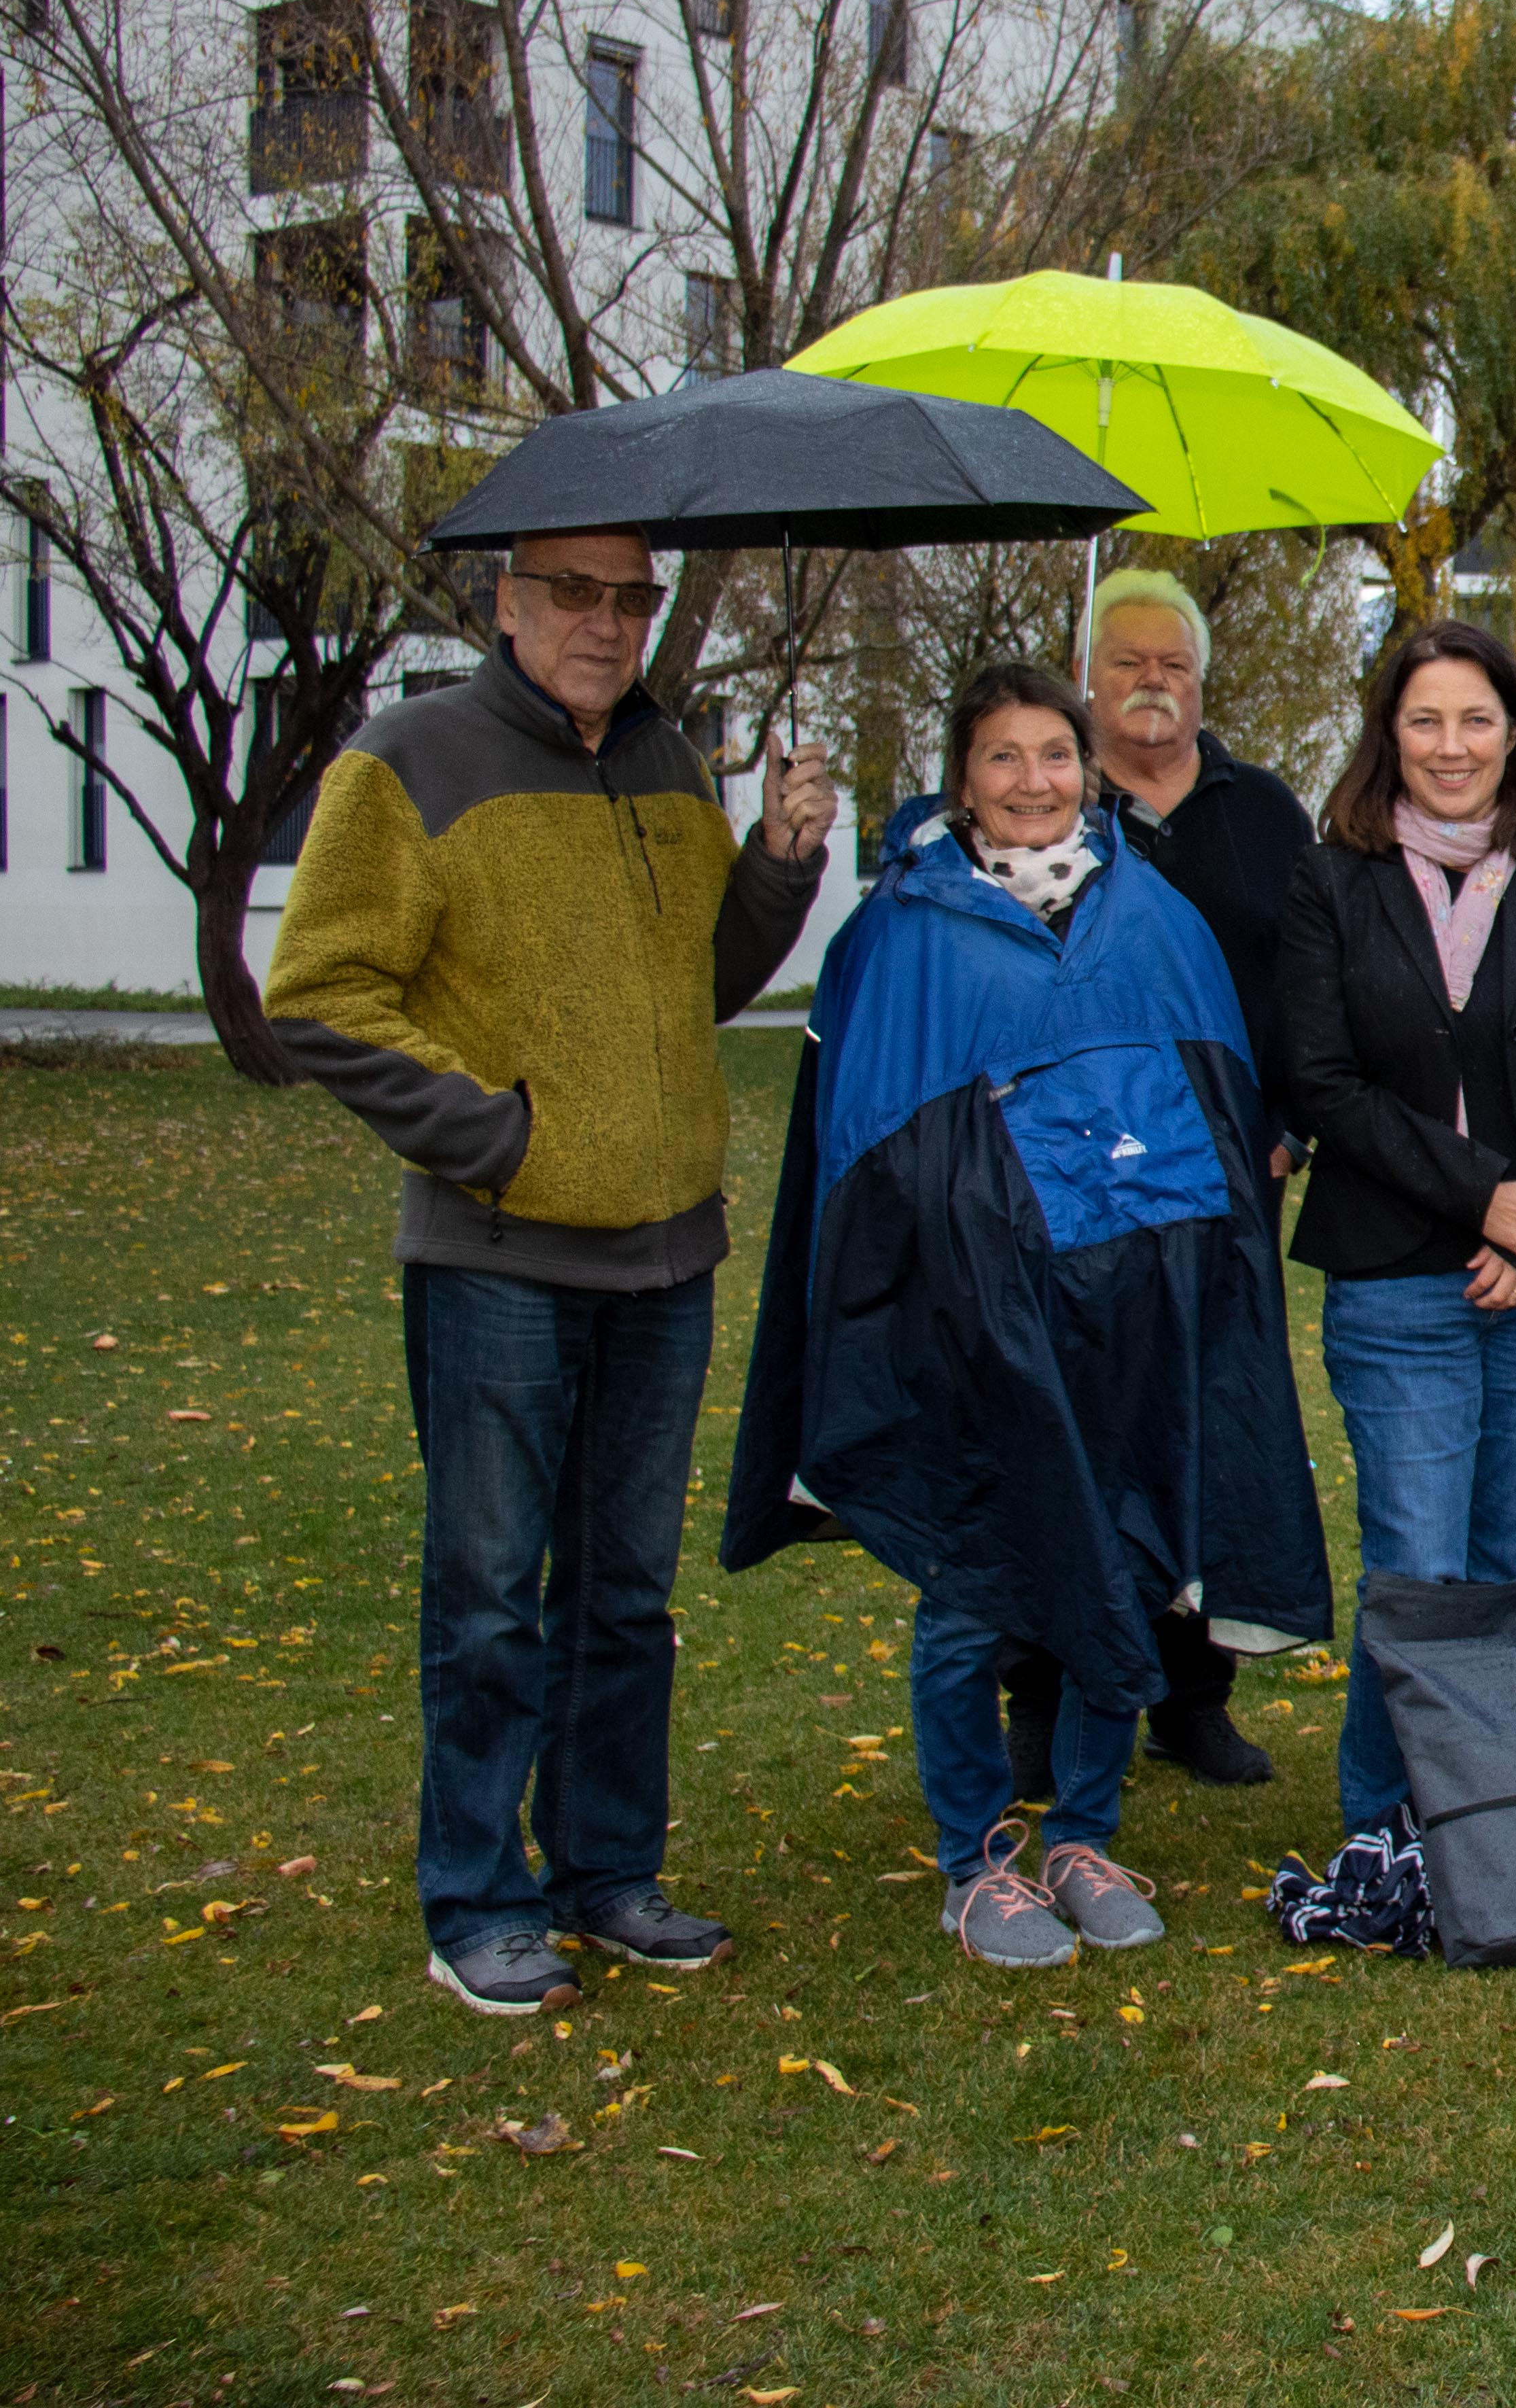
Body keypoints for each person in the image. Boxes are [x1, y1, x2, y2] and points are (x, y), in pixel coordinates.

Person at [268, 526, 830, 2016]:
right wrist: (497, 1132)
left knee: (625, 1593)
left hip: (665, 1248)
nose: (605, 621)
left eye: (631, 596)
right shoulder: (410, 761)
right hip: (504, 1249)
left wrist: (777, 861)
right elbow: (318, 987)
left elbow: (698, 981)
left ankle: (605, 1869)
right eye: (573, 592)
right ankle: (479, 1892)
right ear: (506, 602)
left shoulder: (662, 764)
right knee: (488, 1593)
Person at [724, 661, 1328, 1972]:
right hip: (974, 1328)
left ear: (1089, 767)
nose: (1034, 783)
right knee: (981, 1581)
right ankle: (975, 1859)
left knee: (1120, 1561)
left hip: (1135, 1319)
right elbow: (861, 1155)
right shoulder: (900, 934)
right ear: (962, 781)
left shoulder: (1153, 917)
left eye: (1055, 755)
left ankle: (1087, 1829)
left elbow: (1220, 1123)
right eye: (1003, 758)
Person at [1280, 620, 1516, 1857]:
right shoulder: (1334, 876)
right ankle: (1385, 1828)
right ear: (1390, 731)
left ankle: (1500, 1828)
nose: (1451, 745)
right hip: (1397, 1278)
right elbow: (1323, 1083)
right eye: (1426, 719)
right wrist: (1482, 1198)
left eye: (1476, 720)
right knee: (1419, 1565)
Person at [989, 566, 1319, 1801]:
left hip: (1228, 1178)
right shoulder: (1052, 822)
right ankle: (1049, 1691)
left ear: (1201, 681)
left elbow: (1308, 982)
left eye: (1172, 664)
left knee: (1204, 1423)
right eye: (1125, 662)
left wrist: (1287, 1123)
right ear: (1088, 677)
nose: (1150, 683)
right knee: (1067, 1428)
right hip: (1067, 1181)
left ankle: (1193, 1695)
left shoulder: (1264, 814)